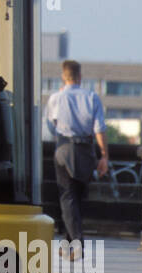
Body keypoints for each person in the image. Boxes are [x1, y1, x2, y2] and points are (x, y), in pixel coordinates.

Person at [46, 60, 109, 255]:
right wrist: (104, 156)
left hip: (64, 147)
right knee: (78, 196)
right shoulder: (91, 97)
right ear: (80, 77)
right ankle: (71, 242)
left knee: (67, 196)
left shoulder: (56, 98)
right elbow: (99, 129)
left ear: (63, 77)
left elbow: (50, 127)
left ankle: (75, 242)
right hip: (86, 149)